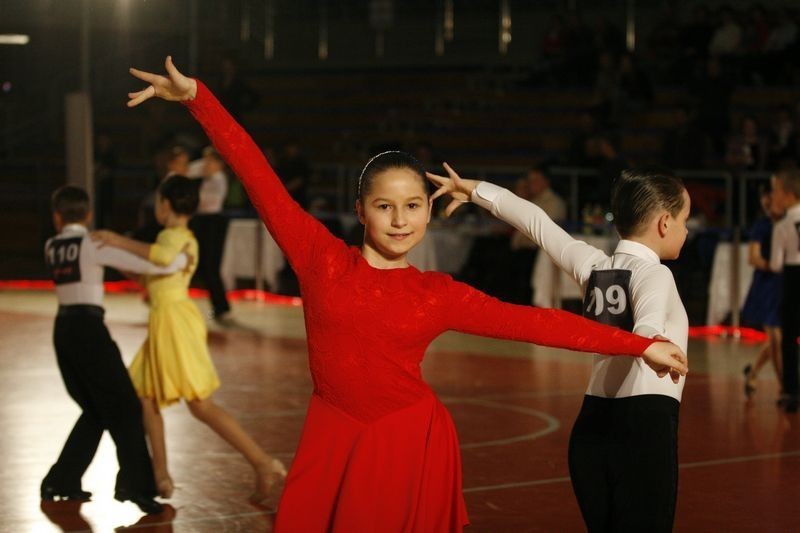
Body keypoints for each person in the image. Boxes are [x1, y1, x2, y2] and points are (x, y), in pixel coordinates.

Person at [123, 56, 688, 532]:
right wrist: (199, 98)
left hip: (406, 436)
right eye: (384, 206)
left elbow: (533, 322)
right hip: (334, 428)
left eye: (413, 206)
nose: (400, 220)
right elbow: (257, 174)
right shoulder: (319, 259)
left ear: (428, 213)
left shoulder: (435, 292)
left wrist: (638, 346)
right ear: (360, 210)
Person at [427, 163, 691, 532]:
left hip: (591, 429)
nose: (686, 229)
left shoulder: (594, 265)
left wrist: (475, 191)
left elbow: (537, 224)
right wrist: (653, 347)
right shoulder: (656, 274)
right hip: (643, 431)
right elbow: (645, 329)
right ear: (664, 223)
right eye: (684, 219)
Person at [91, 174, 286, 503]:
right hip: (168, 321)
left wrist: (116, 240)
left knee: (200, 405)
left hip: (174, 324)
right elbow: (152, 273)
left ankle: (263, 463)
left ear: (165, 205)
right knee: (148, 399)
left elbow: (161, 259)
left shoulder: (172, 236)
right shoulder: (182, 237)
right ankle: (161, 475)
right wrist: (116, 258)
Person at [43, 185, 194, 515]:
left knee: (96, 410)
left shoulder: (52, 245)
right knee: (126, 407)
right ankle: (135, 487)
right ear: (88, 215)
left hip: (63, 331)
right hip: (89, 332)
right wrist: (182, 258)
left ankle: (60, 481)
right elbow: (154, 265)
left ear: (57, 217)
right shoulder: (92, 243)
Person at [742, 185, 784, 397]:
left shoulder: (787, 220)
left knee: (776, 339)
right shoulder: (762, 224)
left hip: (784, 284)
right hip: (767, 285)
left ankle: (753, 373)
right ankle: (786, 386)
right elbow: (753, 257)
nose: (767, 201)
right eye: (763, 197)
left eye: (770, 195)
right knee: (776, 337)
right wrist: (776, 265)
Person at [187, 146, 232, 323]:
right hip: (203, 221)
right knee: (204, 265)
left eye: (211, 161)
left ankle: (221, 306)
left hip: (214, 222)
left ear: (220, 164)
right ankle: (219, 306)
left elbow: (206, 202)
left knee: (211, 266)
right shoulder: (207, 174)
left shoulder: (218, 179)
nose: (206, 164)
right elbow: (189, 169)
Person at [769, 167, 800, 413]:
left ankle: (791, 391)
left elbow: (775, 264)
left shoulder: (783, 224)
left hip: (792, 278)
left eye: (777, 191)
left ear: (789, 195)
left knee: (790, 338)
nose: (773, 196)